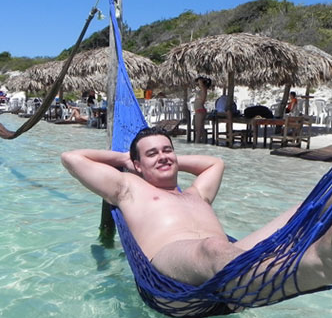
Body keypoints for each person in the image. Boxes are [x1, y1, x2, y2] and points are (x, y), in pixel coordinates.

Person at [60, 127, 332, 301]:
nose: (164, 157)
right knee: (213, 248)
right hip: (171, 268)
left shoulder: (196, 193)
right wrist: (124, 160)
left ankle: (310, 256)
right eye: (152, 154)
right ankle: (317, 265)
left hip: (232, 261)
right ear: (137, 165)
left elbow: (215, 162)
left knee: (310, 205)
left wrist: (164, 160)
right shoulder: (129, 189)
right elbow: (71, 158)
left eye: (168, 150)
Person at [193, 76, 211, 142]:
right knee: (200, 128)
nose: (198, 83)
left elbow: (203, 100)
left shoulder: (203, 89)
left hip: (200, 110)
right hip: (199, 110)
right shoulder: (202, 89)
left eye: (199, 82)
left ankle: (196, 143)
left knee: (198, 129)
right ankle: (203, 142)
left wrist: (201, 81)